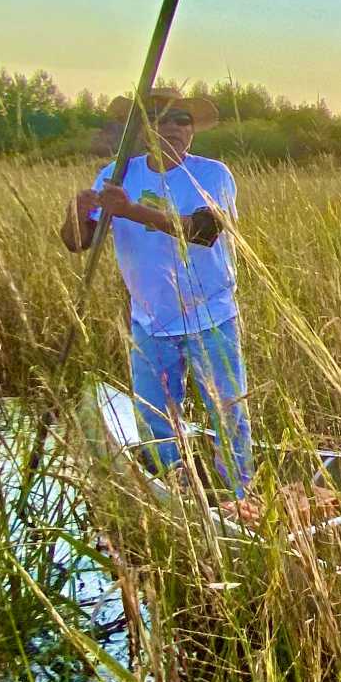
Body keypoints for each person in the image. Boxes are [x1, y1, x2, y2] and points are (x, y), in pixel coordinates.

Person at [60, 87, 252, 497]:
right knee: (154, 418)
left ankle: (239, 496)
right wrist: (77, 213)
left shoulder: (212, 174)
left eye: (184, 120)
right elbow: (79, 242)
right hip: (149, 319)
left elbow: (203, 230)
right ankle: (174, 490)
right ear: (145, 130)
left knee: (228, 413)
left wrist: (131, 210)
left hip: (210, 315)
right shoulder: (118, 175)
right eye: (163, 120)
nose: (175, 128)